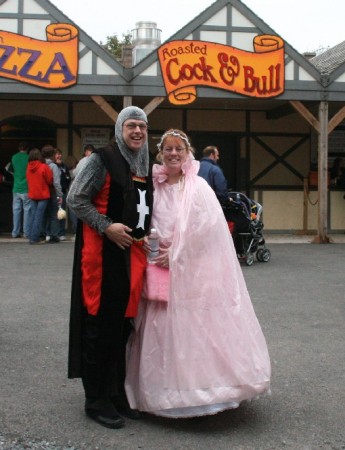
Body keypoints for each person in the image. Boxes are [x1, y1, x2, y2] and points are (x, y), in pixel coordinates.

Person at [125, 129, 271, 418]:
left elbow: (209, 229)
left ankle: (204, 389)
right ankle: (165, 392)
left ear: (187, 152)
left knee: (196, 328)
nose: (173, 154)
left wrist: (178, 251)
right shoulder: (154, 186)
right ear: (160, 152)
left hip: (193, 271)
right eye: (168, 149)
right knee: (161, 327)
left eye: (179, 149)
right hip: (158, 263)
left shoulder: (199, 187)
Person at [67, 106, 154, 429]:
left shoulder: (144, 162)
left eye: (142, 127)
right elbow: (76, 199)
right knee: (100, 327)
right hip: (102, 257)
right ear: (120, 128)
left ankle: (116, 392)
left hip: (132, 259)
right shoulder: (100, 160)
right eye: (131, 126)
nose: (137, 132)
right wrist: (106, 226)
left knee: (121, 329)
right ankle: (96, 399)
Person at [26, 148, 53, 244]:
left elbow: (28, 180)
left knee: (33, 216)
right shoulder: (43, 166)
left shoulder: (28, 167)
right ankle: (34, 238)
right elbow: (49, 180)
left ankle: (31, 235)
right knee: (39, 216)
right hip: (43, 194)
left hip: (32, 194)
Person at [41, 145, 63, 243]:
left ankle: (44, 233)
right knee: (54, 214)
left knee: (44, 214)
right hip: (52, 191)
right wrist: (60, 194)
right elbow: (56, 182)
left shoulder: (40, 164)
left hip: (42, 192)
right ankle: (54, 235)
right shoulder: (53, 166)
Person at [10, 141, 31, 238]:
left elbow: (10, 170)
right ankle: (26, 232)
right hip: (26, 187)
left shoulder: (14, 157)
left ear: (19, 148)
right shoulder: (28, 158)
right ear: (27, 149)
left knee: (16, 210)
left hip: (16, 187)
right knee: (27, 210)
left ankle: (15, 232)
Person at [55, 149, 72, 241]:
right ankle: (54, 232)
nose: (59, 156)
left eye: (60, 154)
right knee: (54, 213)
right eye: (57, 154)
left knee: (61, 214)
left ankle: (61, 233)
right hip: (54, 193)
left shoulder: (64, 166)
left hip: (63, 192)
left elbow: (68, 177)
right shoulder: (53, 166)